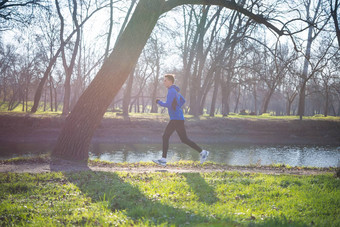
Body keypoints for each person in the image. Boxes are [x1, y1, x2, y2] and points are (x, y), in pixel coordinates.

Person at [152, 74, 209, 166]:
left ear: (170, 81)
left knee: (165, 136)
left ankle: (163, 159)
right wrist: (177, 106)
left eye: (165, 80)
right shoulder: (175, 91)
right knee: (184, 139)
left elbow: (168, 105)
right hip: (178, 118)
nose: (164, 82)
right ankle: (203, 152)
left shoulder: (171, 91)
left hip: (176, 118)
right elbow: (183, 100)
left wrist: (159, 102)